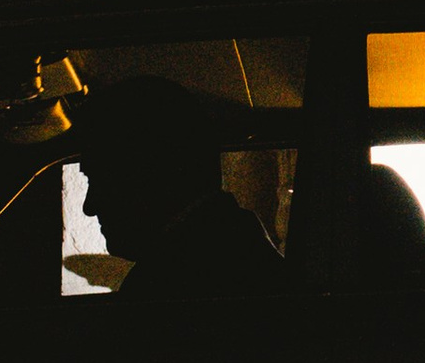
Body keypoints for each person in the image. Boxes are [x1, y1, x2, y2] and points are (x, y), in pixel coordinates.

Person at [70, 76, 283, 299]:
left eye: (102, 179)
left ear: (150, 172)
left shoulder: (169, 284)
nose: (89, 206)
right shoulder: (232, 253)